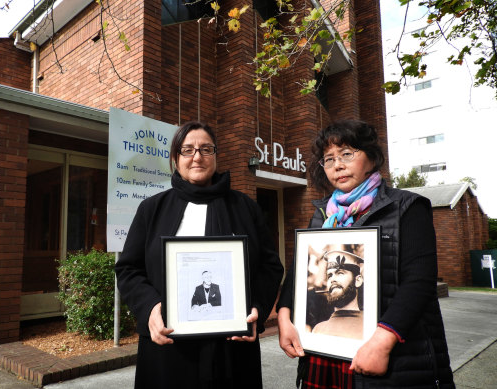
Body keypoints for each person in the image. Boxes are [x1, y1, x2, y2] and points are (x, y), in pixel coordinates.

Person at [277, 120, 455, 388]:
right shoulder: (324, 214)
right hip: (324, 356)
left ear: (371, 157)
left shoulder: (407, 207)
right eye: (328, 159)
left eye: (347, 154)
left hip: (388, 355)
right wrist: (284, 316)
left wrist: (382, 343)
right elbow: (297, 275)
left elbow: (419, 283)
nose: (337, 165)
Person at [115, 121, 283, 389]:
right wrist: (150, 309)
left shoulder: (246, 208)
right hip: (169, 350)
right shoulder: (151, 209)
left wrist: (257, 309)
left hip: (232, 349)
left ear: (216, 156)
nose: (197, 156)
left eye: (206, 149)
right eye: (188, 149)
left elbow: (270, 267)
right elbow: (128, 269)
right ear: (175, 158)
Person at [311, 246, 364, 339]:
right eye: (329, 275)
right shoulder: (318, 330)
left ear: (358, 280)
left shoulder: (371, 325)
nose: (332, 279)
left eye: (340, 273)